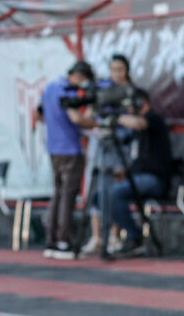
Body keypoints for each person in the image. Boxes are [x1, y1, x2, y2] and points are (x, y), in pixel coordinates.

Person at [37, 61, 96, 260]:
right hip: (70, 148)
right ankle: (64, 242)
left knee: (58, 194)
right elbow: (77, 119)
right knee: (67, 196)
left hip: (54, 148)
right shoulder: (68, 91)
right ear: (79, 77)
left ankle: (51, 241)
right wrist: (93, 119)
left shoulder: (50, 88)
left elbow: (38, 113)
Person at [104, 89, 173, 257]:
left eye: (130, 104)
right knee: (101, 195)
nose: (128, 109)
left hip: (155, 179)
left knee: (115, 193)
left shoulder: (153, 119)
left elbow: (139, 123)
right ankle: (130, 236)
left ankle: (135, 238)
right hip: (136, 177)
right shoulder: (135, 132)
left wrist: (115, 117)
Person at [81, 55, 135, 255]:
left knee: (113, 189)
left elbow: (135, 120)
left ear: (127, 71)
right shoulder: (103, 90)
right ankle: (96, 237)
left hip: (121, 145)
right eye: (113, 70)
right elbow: (87, 118)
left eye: (120, 70)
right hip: (100, 144)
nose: (117, 74)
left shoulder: (130, 92)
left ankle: (113, 236)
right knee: (95, 188)